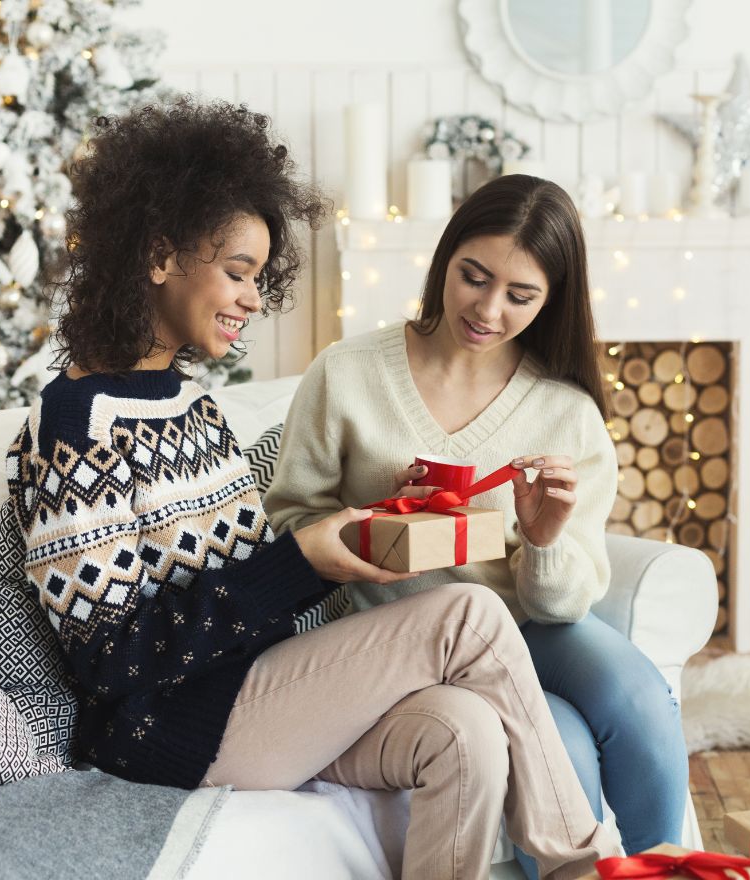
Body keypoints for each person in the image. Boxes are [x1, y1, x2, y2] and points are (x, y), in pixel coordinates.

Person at [0, 98, 619, 880]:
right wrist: (302, 560)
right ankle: (586, 865)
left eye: (258, 276)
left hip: (264, 695)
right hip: (173, 729)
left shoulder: (189, 404)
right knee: (471, 613)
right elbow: (112, 663)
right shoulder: (74, 426)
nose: (256, 297)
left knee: (468, 732)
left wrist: (366, 530)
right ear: (157, 257)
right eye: (238, 272)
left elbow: (241, 582)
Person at [265, 174, 690, 864]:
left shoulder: (565, 411)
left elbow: (563, 604)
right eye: (474, 277)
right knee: (566, 745)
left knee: (638, 696)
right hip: (406, 639)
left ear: (551, 301)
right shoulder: (346, 373)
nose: (489, 309)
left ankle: (669, 867)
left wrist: (545, 543)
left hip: (526, 625)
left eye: (521, 296)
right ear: (445, 259)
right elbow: (290, 522)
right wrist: (381, 517)